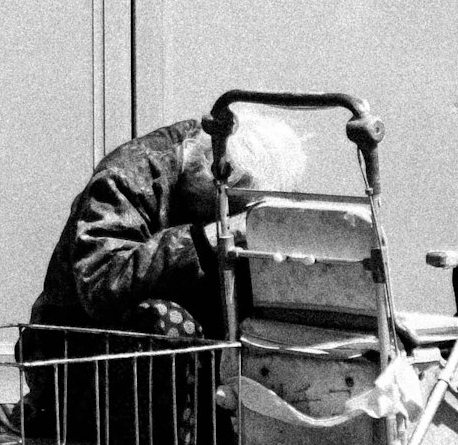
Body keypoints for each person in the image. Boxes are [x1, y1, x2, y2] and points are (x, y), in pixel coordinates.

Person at [21, 108, 311, 345]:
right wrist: (204, 238)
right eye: (230, 206)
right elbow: (100, 284)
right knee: (166, 320)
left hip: (170, 351)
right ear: (211, 174)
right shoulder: (126, 177)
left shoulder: (209, 154)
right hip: (77, 348)